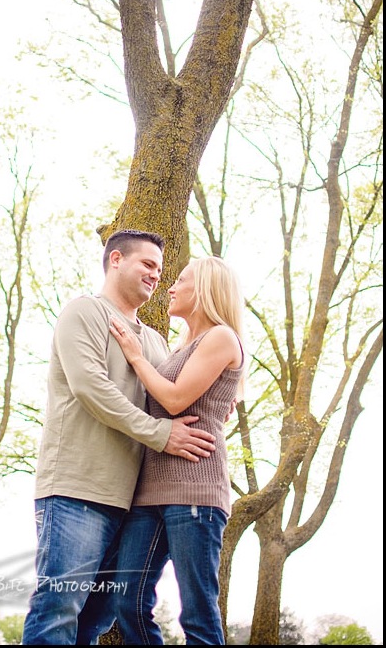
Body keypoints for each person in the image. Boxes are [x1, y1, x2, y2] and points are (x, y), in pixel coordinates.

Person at [22, 230, 217, 646]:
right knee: (58, 611)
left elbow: (176, 397)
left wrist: (226, 388)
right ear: (114, 260)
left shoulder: (154, 342)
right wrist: (160, 435)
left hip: (130, 507)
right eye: (147, 264)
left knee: (93, 623)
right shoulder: (83, 313)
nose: (156, 275)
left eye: (161, 270)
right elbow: (91, 388)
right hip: (77, 492)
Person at [109, 255, 246, 645]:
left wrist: (135, 354)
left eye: (181, 280)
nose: (170, 286)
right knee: (128, 602)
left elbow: (173, 400)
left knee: (199, 615)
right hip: (149, 490)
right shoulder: (181, 349)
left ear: (203, 289)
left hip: (195, 492)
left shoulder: (220, 337)